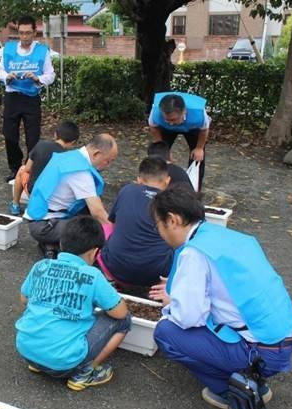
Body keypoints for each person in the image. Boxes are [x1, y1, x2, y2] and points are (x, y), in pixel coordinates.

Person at [148, 186, 292, 409]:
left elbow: (189, 318)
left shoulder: (194, 253)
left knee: (166, 332)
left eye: (158, 225)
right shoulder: (227, 236)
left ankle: (235, 390)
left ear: (173, 220)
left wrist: (171, 307)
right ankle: (252, 376)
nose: (159, 232)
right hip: (284, 336)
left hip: (261, 352)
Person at [15, 216, 131, 391]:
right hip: (64, 364)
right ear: (94, 253)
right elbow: (120, 313)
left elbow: (25, 299)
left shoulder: (41, 266)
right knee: (125, 320)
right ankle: (85, 372)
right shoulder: (92, 275)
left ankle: (38, 362)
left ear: (61, 243)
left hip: (26, 351)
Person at [24, 133, 118, 258]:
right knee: (90, 229)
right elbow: (98, 212)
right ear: (96, 153)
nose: (109, 166)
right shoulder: (80, 171)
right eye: (108, 161)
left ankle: (52, 244)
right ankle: (54, 246)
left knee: (86, 211)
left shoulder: (71, 157)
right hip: (44, 225)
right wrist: (118, 233)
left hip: (39, 216)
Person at [98, 157, 173, 289]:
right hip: (156, 275)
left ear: (139, 179)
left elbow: (114, 225)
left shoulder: (127, 191)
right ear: (167, 181)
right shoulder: (173, 202)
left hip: (116, 268)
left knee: (105, 228)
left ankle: (109, 279)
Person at [0, 16, 56, 182]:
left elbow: (50, 75)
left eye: (28, 33)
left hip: (31, 99)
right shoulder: (8, 49)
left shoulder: (42, 51)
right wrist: (7, 76)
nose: (24, 37)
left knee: (33, 138)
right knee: (9, 136)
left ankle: (30, 170)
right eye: (21, 33)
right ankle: (14, 169)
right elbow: (0, 71)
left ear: (34, 32)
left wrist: (38, 78)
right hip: (12, 97)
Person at [8, 120, 79, 216]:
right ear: (73, 142)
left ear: (55, 134)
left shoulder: (41, 145)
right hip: (56, 197)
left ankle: (15, 204)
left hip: (35, 192)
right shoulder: (67, 157)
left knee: (22, 169)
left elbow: (28, 169)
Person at [148, 92, 211, 190]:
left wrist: (199, 148)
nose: (171, 123)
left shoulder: (199, 113)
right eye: (167, 119)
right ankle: (155, 184)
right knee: (158, 156)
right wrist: (162, 147)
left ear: (184, 112)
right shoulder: (155, 112)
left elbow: (204, 130)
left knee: (198, 157)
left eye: (173, 119)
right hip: (166, 129)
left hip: (192, 128)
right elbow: (154, 127)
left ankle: (194, 190)